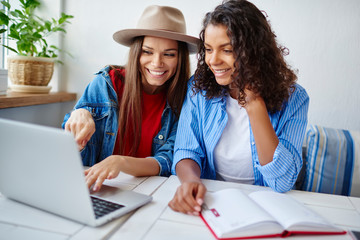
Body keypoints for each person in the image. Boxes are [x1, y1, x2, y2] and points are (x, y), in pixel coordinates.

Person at [168, 0, 309, 215]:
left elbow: (282, 181)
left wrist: (254, 104)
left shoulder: (295, 98)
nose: (213, 60)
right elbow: (187, 150)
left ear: (254, 52)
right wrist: (190, 182)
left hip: (268, 204)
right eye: (208, 49)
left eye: (227, 50)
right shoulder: (199, 90)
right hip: (213, 200)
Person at [62, 5, 199, 192]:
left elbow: (166, 161)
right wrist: (78, 115)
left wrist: (120, 162)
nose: (157, 62)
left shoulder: (184, 99)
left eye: (169, 54)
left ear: (180, 58)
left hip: (148, 189)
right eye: (147, 51)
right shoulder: (107, 84)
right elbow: (68, 149)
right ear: (136, 52)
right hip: (95, 187)